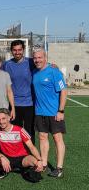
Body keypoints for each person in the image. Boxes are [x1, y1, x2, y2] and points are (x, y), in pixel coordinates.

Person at [32, 47, 67, 178]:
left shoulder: (54, 72)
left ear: (45, 57)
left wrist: (61, 110)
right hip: (40, 112)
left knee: (57, 139)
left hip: (54, 112)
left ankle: (59, 168)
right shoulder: (34, 72)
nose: (37, 60)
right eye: (35, 58)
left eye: (40, 57)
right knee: (42, 137)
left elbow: (63, 91)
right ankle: (44, 163)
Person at [0, 108, 43, 182]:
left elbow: (31, 147)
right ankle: (4, 169)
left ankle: (24, 169)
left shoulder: (20, 130)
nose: (1, 122)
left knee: (35, 162)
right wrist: (2, 158)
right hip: (7, 157)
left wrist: (39, 160)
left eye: (3, 118)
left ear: (9, 118)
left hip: (22, 158)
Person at [2, 40, 35, 143]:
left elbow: (43, 65)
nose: (17, 52)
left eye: (19, 50)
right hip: (14, 104)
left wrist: (53, 66)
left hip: (30, 103)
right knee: (15, 131)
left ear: (23, 50)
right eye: (15, 50)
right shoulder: (7, 65)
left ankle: (30, 154)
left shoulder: (31, 62)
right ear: (11, 51)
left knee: (29, 130)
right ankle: (17, 154)